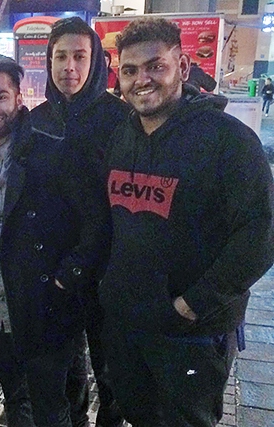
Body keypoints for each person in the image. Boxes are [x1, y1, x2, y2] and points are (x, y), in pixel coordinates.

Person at [101, 17, 274, 426]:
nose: (141, 79)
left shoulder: (228, 141)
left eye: (154, 66)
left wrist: (192, 305)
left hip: (193, 334)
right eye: (129, 70)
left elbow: (260, 235)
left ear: (182, 67)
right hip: (129, 327)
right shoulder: (122, 138)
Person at [0, 54, 111, 427]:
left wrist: (66, 278)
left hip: (45, 311)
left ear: (18, 97)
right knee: (16, 400)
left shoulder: (54, 153)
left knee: (50, 408)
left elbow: (97, 225)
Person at [30, 17, 129, 427]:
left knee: (110, 370)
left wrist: (85, 262)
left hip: (104, 269)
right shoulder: (37, 119)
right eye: (60, 56)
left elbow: (118, 205)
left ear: (96, 63)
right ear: (49, 61)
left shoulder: (119, 118)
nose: (69, 66)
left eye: (79, 56)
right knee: (67, 364)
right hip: (56, 272)